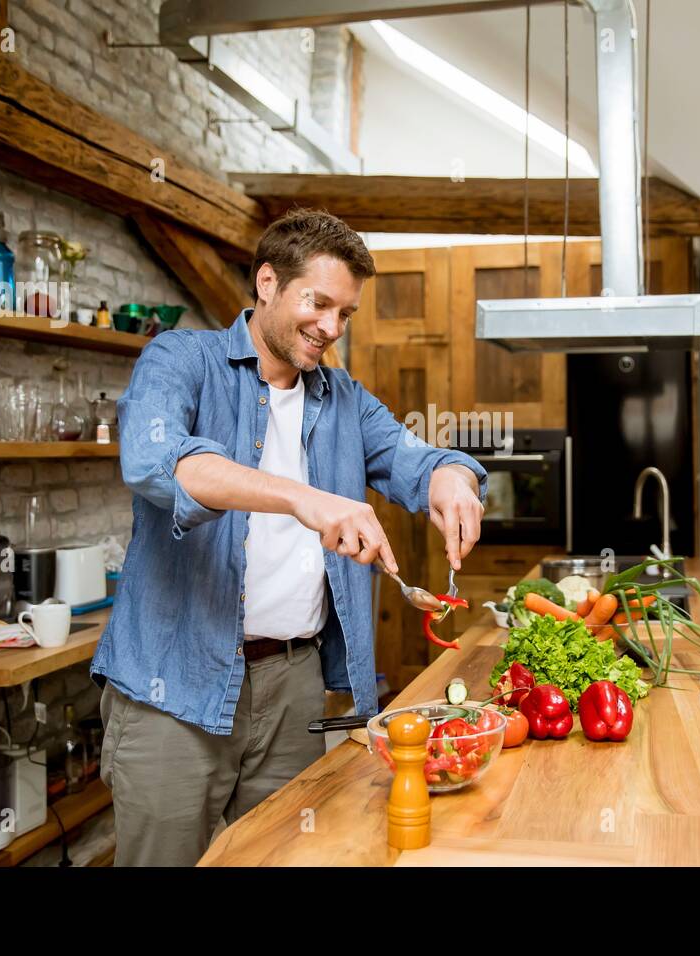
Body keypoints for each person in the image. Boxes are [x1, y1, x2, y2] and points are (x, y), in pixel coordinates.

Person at [90, 208, 486, 866]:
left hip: (293, 686)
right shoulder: (180, 359)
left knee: (286, 859)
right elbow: (160, 464)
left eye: (346, 314)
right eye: (319, 303)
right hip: (174, 685)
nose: (331, 329)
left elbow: (415, 458)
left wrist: (450, 479)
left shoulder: (342, 397)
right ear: (267, 282)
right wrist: (305, 499)